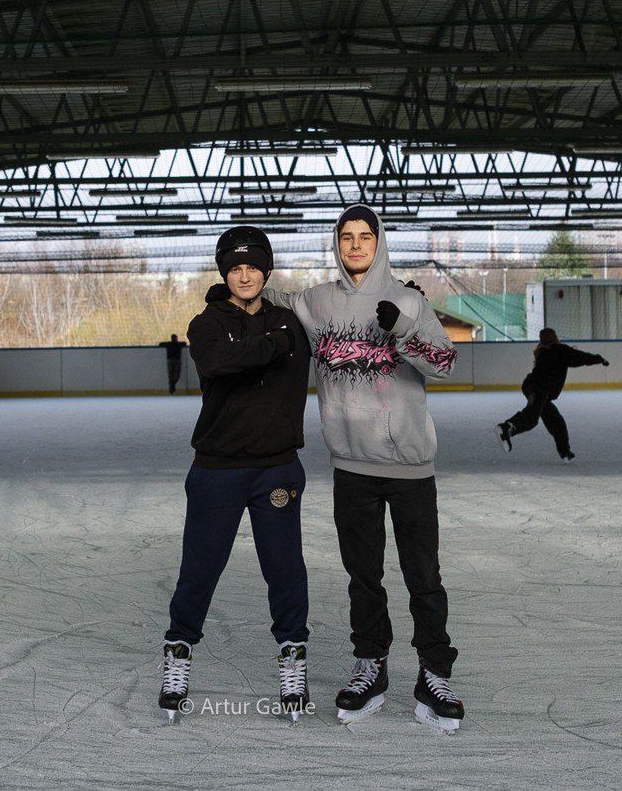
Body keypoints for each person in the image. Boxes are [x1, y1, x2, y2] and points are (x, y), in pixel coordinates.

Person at [226, 205, 465, 732]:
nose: (356, 245)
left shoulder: (409, 299)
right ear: (336, 243)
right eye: (346, 237)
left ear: (380, 242)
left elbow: (446, 364)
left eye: (365, 236)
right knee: (364, 576)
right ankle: (371, 665)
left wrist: (404, 329)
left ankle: (434, 672)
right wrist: (234, 290)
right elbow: (265, 296)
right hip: (351, 466)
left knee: (423, 576)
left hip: (409, 466)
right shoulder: (317, 302)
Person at [160, 227, 312, 723]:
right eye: (235, 268)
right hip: (217, 470)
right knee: (200, 569)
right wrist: (273, 344)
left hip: (276, 468)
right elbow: (221, 362)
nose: (244, 275)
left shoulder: (290, 320)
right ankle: (178, 652)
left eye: (253, 267)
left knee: (284, 569)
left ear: (266, 271)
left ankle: (292, 657)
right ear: (224, 273)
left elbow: (315, 347)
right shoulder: (207, 323)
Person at [496, 328, 609, 461]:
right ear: (554, 337)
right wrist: (599, 359)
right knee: (531, 418)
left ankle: (565, 452)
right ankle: (506, 428)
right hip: (538, 389)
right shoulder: (560, 350)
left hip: (533, 387)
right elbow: (581, 357)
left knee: (556, 421)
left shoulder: (543, 352)